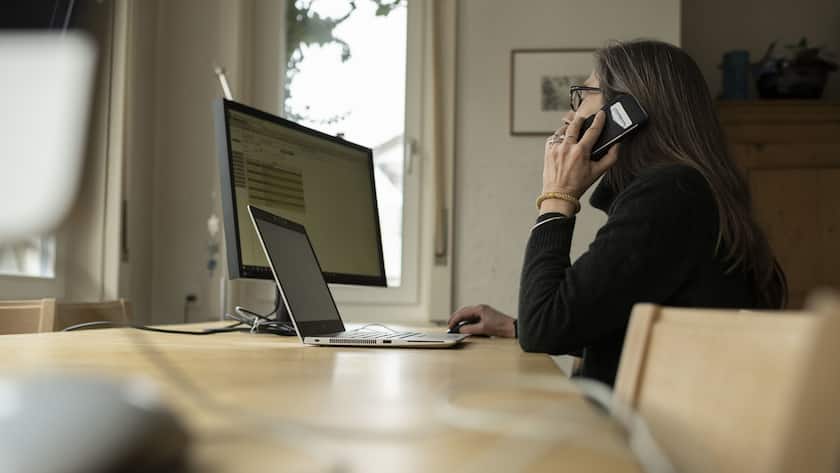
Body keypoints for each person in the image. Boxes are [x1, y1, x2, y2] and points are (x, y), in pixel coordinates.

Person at [448, 40, 787, 386]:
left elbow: (545, 331)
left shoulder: (670, 195)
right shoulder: (685, 191)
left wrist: (556, 197)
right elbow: (619, 321)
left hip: (628, 435)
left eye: (585, 95)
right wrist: (515, 326)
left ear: (625, 115)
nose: (569, 116)